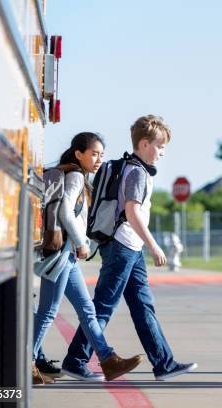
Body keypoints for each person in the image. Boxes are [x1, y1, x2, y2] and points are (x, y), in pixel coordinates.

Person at [62, 115, 198, 381]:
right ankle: (76, 361)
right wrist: (154, 245)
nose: (162, 152)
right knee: (103, 306)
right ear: (144, 144)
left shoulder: (132, 168)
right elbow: (132, 211)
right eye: (160, 146)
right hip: (123, 246)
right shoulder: (136, 172)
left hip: (128, 248)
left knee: (142, 306)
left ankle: (163, 364)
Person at [33, 132, 142, 383]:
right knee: (49, 312)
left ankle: (108, 360)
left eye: (101, 155)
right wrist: (81, 243)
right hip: (64, 253)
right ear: (78, 153)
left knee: (87, 310)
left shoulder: (75, 175)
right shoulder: (74, 176)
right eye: (94, 154)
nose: (98, 159)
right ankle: (27, 363)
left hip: (66, 256)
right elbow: (65, 211)